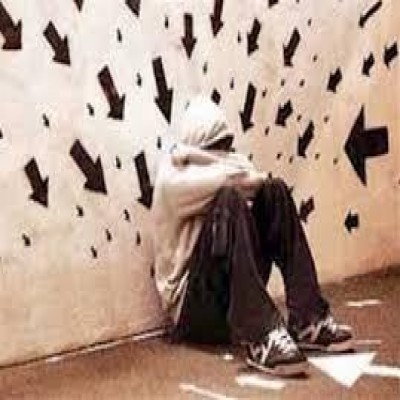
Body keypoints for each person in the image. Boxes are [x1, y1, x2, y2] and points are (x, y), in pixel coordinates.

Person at [152, 96, 353, 376]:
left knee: (275, 191)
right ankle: (261, 334)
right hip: (192, 311)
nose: (225, 153)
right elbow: (232, 180)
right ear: (198, 145)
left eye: (226, 146)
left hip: (226, 302)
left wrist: (246, 174)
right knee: (229, 200)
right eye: (217, 147)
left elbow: (256, 181)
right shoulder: (173, 177)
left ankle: (308, 320)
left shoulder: (227, 167)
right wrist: (238, 169)